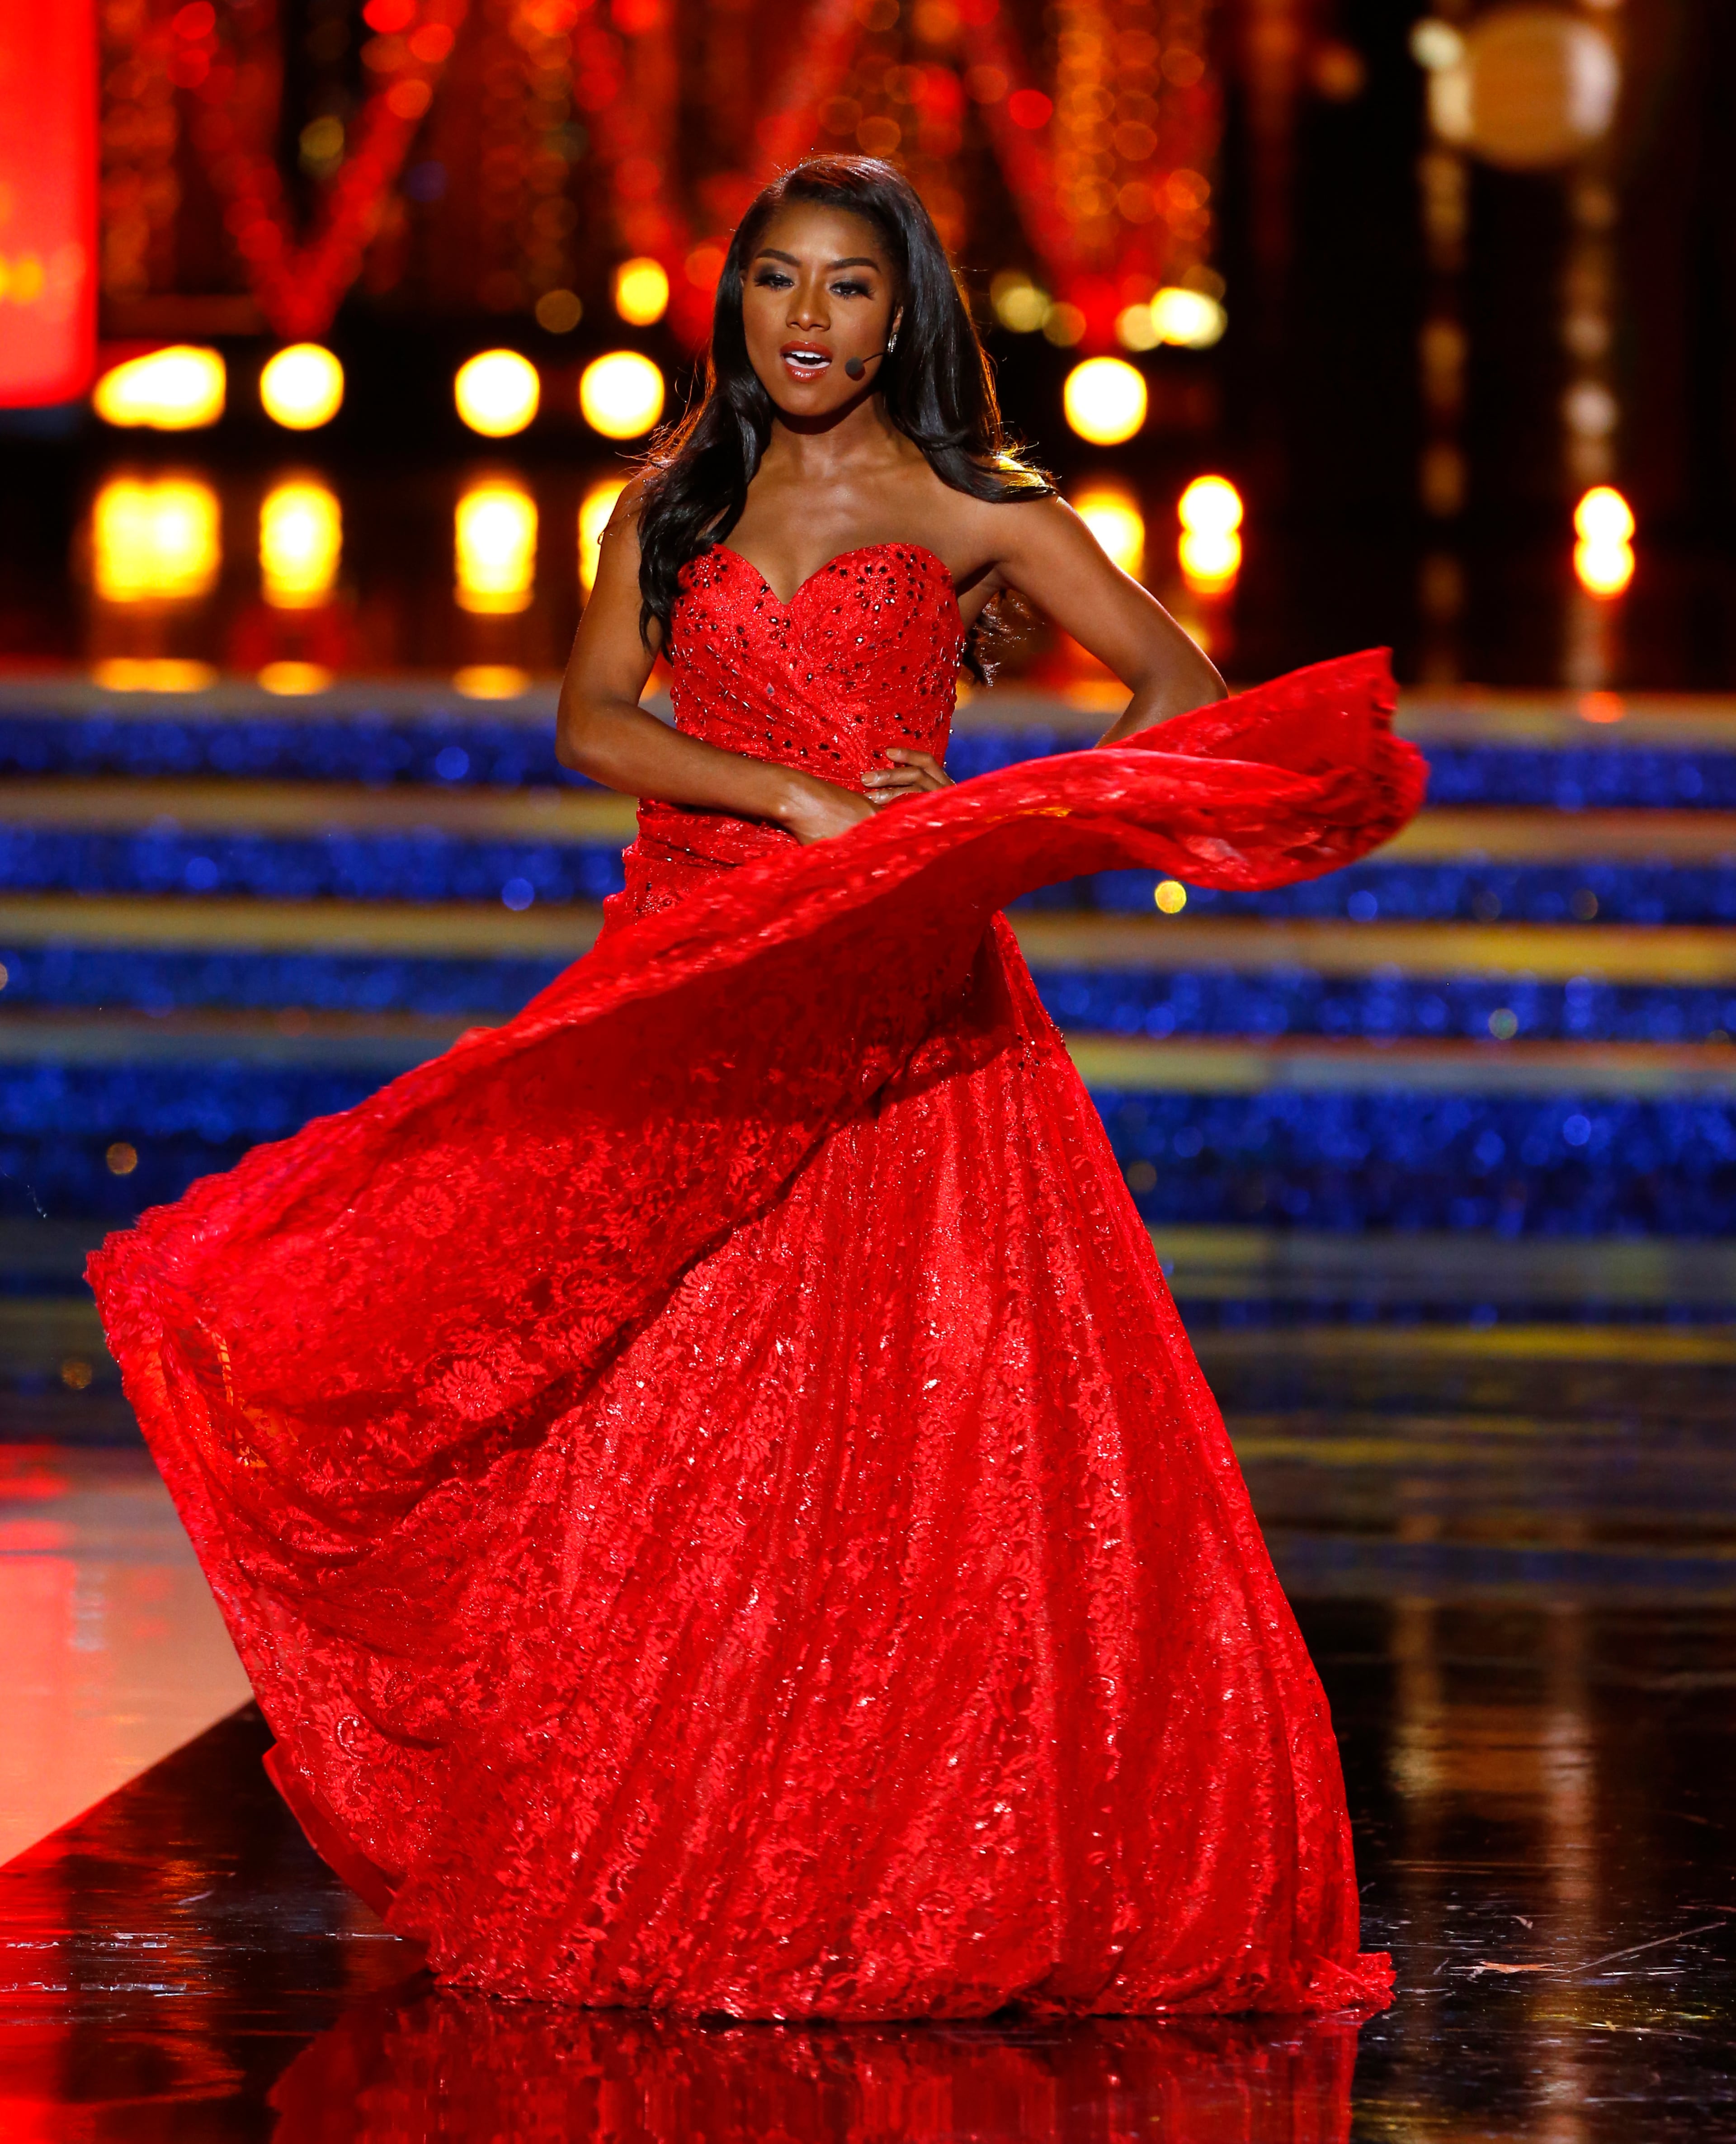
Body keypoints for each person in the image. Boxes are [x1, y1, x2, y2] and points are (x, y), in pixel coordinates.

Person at [91, 157, 1420, 2021]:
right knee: (670, 1441)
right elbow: (592, 719)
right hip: (699, 978)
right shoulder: (675, 489)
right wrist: (793, 798)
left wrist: (971, 827)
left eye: (850, 289)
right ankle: (672, 1830)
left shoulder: (973, 503)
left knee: (915, 1443)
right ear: (738, 305)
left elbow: (1177, 686)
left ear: (909, 316)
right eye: (780, 283)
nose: (810, 320)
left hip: (903, 1020)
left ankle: (903, 1862)